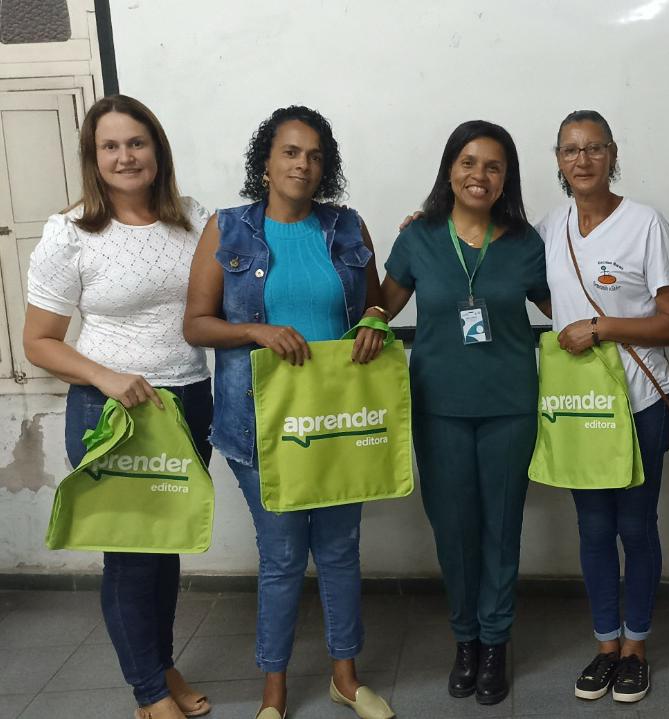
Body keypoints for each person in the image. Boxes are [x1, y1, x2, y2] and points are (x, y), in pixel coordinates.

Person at [182, 105, 394, 719]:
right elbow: (195, 325)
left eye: (316, 156)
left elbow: (374, 304)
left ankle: (345, 678)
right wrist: (256, 331)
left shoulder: (348, 226)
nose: (304, 164)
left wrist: (376, 319)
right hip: (259, 425)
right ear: (267, 162)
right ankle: (273, 691)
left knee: (340, 550)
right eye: (291, 152)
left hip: (338, 421)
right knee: (280, 557)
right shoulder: (227, 229)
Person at [23, 95, 213, 719]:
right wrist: (106, 377)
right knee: (130, 554)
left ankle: (162, 666)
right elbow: (38, 342)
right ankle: (148, 693)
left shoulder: (194, 219)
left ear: (157, 149)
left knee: (165, 543)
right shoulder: (71, 232)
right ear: (94, 156)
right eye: (111, 146)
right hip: (112, 412)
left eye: (137, 142)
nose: (125, 156)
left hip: (187, 400)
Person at [355, 120, 550, 705]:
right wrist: (369, 316)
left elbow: (564, 307)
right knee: (454, 530)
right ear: (449, 169)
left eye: (493, 166)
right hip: (438, 407)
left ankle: (495, 642)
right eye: (468, 162)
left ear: (507, 178)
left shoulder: (525, 242)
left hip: (510, 407)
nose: (479, 175)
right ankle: (465, 639)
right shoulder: (419, 238)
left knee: (501, 528)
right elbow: (384, 304)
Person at [534, 110, 669, 704]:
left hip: (640, 401)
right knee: (594, 528)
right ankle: (606, 645)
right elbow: (522, 277)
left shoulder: (644, 223)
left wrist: (601, 327)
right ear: (558, 159)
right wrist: (430, 222)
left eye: (594, 148)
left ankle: (636, 648)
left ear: (612, 154)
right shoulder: (550, 227)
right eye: (570, 150)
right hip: (581, 405)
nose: (582, 159)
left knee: (636, 525)